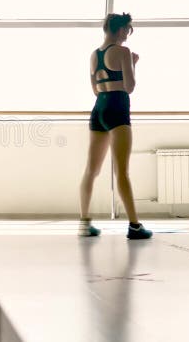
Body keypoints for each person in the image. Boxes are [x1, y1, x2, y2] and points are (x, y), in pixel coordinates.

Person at [78, 13, 152, 240]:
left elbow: (95, 89)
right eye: (127, 30)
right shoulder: (123, 53)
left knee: (92, 169)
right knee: (121, 171)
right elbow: (129, 87)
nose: (127, 36)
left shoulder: (94, 55)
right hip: (118, 108)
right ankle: (134, 226)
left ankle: (84, 223)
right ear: (120, 30)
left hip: (99, 108)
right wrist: (133, 64)